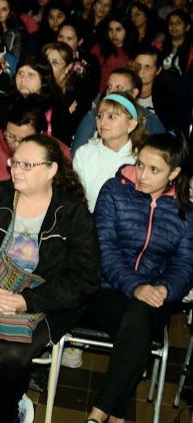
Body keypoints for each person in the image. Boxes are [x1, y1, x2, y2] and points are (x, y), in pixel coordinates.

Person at [0, 134, 100, 423]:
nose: (17, 170)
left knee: (12, 355)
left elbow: (85, 278)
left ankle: (5, 413)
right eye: (15, 163)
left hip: (42, 301)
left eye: (28, 165)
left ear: (52, 170)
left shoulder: (72, 214)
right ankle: (10, 397)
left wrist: (26, 301)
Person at [84, 133, 193, 423]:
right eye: (140, 164)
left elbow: (184, 265)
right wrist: (136, 286)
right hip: (106, 290)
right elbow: (104, 249)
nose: (143, 175)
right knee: (137, 327)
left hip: (154, 299)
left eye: (154, 170)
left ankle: (100, 412)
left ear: (175, 173)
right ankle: (114, 412)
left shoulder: (185, 210)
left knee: (138, 317)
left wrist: (164, 288)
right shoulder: (114, 191)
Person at [0, 99, 71, 204]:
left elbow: (64, 193)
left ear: (41, 134)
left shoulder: (58, 151)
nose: (16, 144)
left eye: (23, 140)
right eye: (10, 136)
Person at [73, 93, 145, 212]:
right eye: (100, 116)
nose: (102, 122)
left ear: (131, 125)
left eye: (111, 117)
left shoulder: (140, 159)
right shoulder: (84, 153)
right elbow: (74, 198)